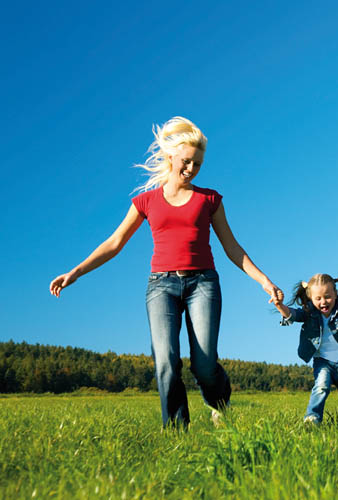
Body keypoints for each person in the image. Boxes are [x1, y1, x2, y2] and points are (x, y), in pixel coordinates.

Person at [49, 116, 281, 428]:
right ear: (170, 156)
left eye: (197, 165)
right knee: (166, 362)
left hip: (203, 284)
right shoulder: (146, 201)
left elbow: (232, 248)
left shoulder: (209, 199)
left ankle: (219, 401)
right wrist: (75, 272)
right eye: (186, 162)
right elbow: (114, 243)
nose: (190, 169)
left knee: (204, 363)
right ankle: (177, 434)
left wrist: (263, 280)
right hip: (161, 287)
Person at [272, 274, 338, 426]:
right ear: (310, 298)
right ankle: (312, 418)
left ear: (335, 294)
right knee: (321, 386)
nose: (323, 302)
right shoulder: (309, 310)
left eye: (327, 297)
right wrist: (279, 306)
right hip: (322, 361)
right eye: (318, 298)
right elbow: (293, 315)